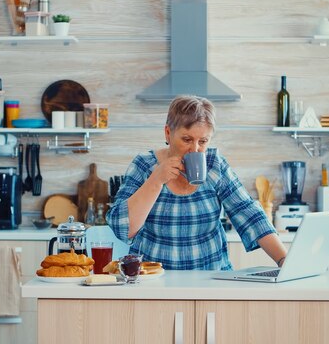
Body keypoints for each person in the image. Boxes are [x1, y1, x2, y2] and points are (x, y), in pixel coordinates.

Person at [106, 95, 287, 270]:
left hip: (212, 279)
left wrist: (283, 260)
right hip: (155, 282)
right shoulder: (144, 165)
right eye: (187, 139)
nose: (195, 149)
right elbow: (123, 228)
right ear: (168, 133)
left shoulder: (214, 164)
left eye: (203, 141)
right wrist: (156, 180)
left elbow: (249, 213)